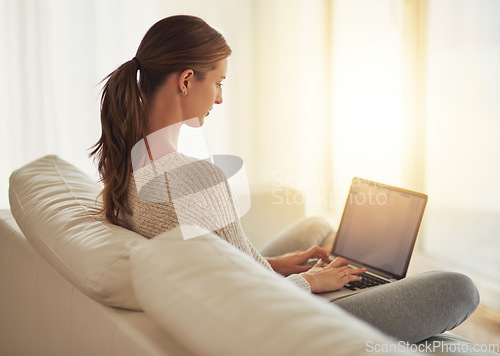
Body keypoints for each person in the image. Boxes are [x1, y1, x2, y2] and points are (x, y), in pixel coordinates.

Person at [90, 15, 479, 343]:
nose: (220, 99)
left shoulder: (127, 161)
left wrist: (278, 264)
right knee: (460, 288)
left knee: (316, 227)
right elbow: (246, 299)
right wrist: (313, 283)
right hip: (280, 316)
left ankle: (330, 273)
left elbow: (227, 262)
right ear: (187, 80)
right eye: (219, 83)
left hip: (236, 286)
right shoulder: (194, 177)